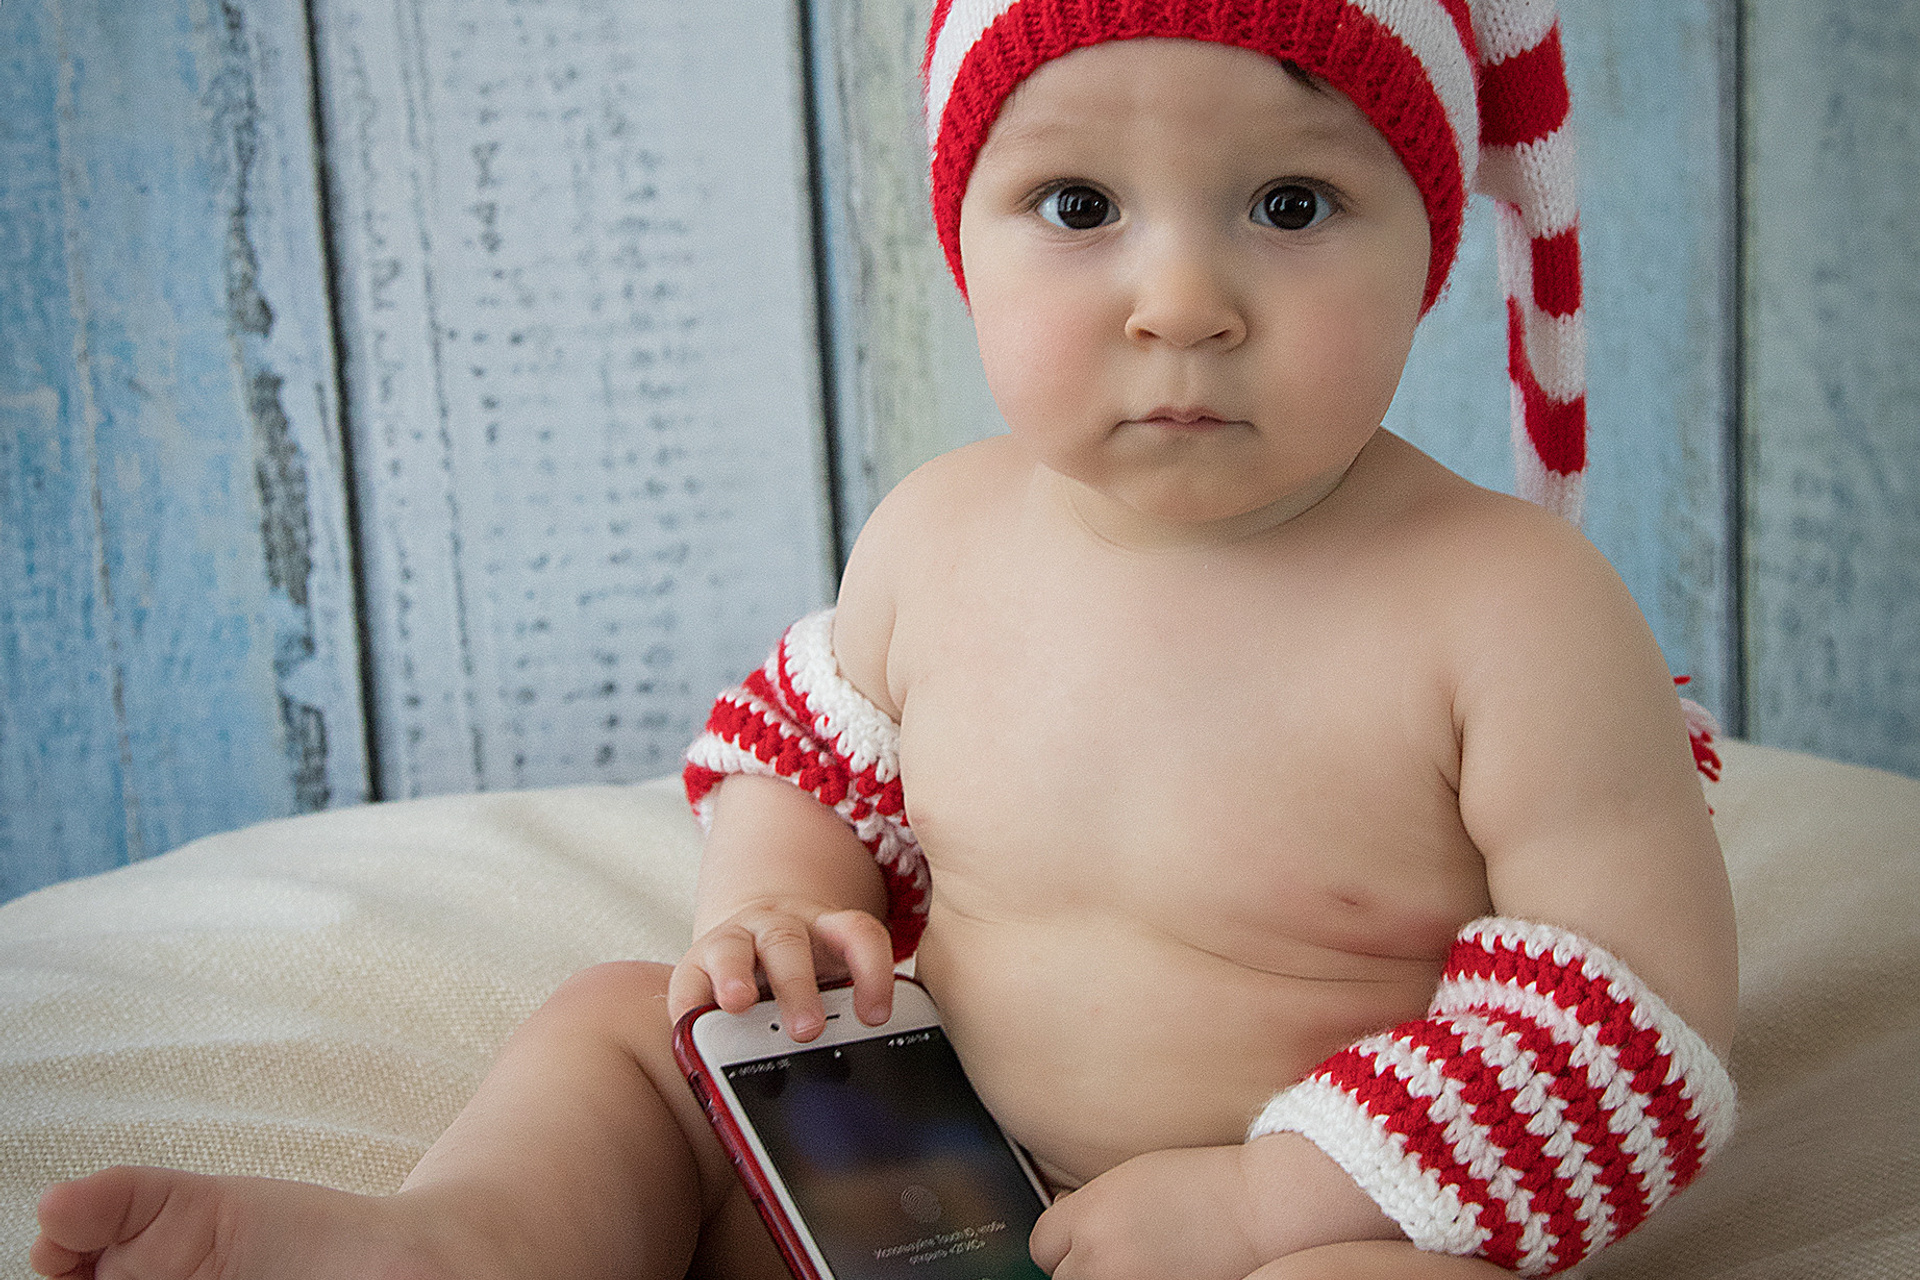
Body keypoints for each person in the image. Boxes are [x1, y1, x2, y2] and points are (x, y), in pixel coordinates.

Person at [31, 2, 1738, 1278]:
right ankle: (469, 1242)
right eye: (1079, 204)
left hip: (1295, 1215)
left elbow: (1631, 1019)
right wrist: (773, 911)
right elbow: (802, 751)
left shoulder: (1510, 606)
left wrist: (1264, 1201)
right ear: (963, 241)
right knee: (623, 1030)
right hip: (906, 1167)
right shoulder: (942, 532)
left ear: (1430, 241)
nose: (1182, 304)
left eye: (1290, 206)